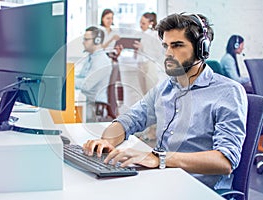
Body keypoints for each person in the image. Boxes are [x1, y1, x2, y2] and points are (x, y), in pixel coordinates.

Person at [83, 13, 247, 190]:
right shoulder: (165, 89)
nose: (168, 53)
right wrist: (108, 141)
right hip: (162, 181)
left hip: (198, 189)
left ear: (202, 49)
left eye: (177, 45)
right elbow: (129, 120)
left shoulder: (228, 92)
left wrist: (159, 158)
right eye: (166, 46)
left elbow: (225, 161)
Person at [75, 26, 112, 122]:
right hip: (87, 101)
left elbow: (86, 85)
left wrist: (69, 81)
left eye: (86, 39)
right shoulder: (91, 57)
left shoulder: (101, 61)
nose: (83, 42)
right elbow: (81, 77)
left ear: (97, 41)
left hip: (94, 106)